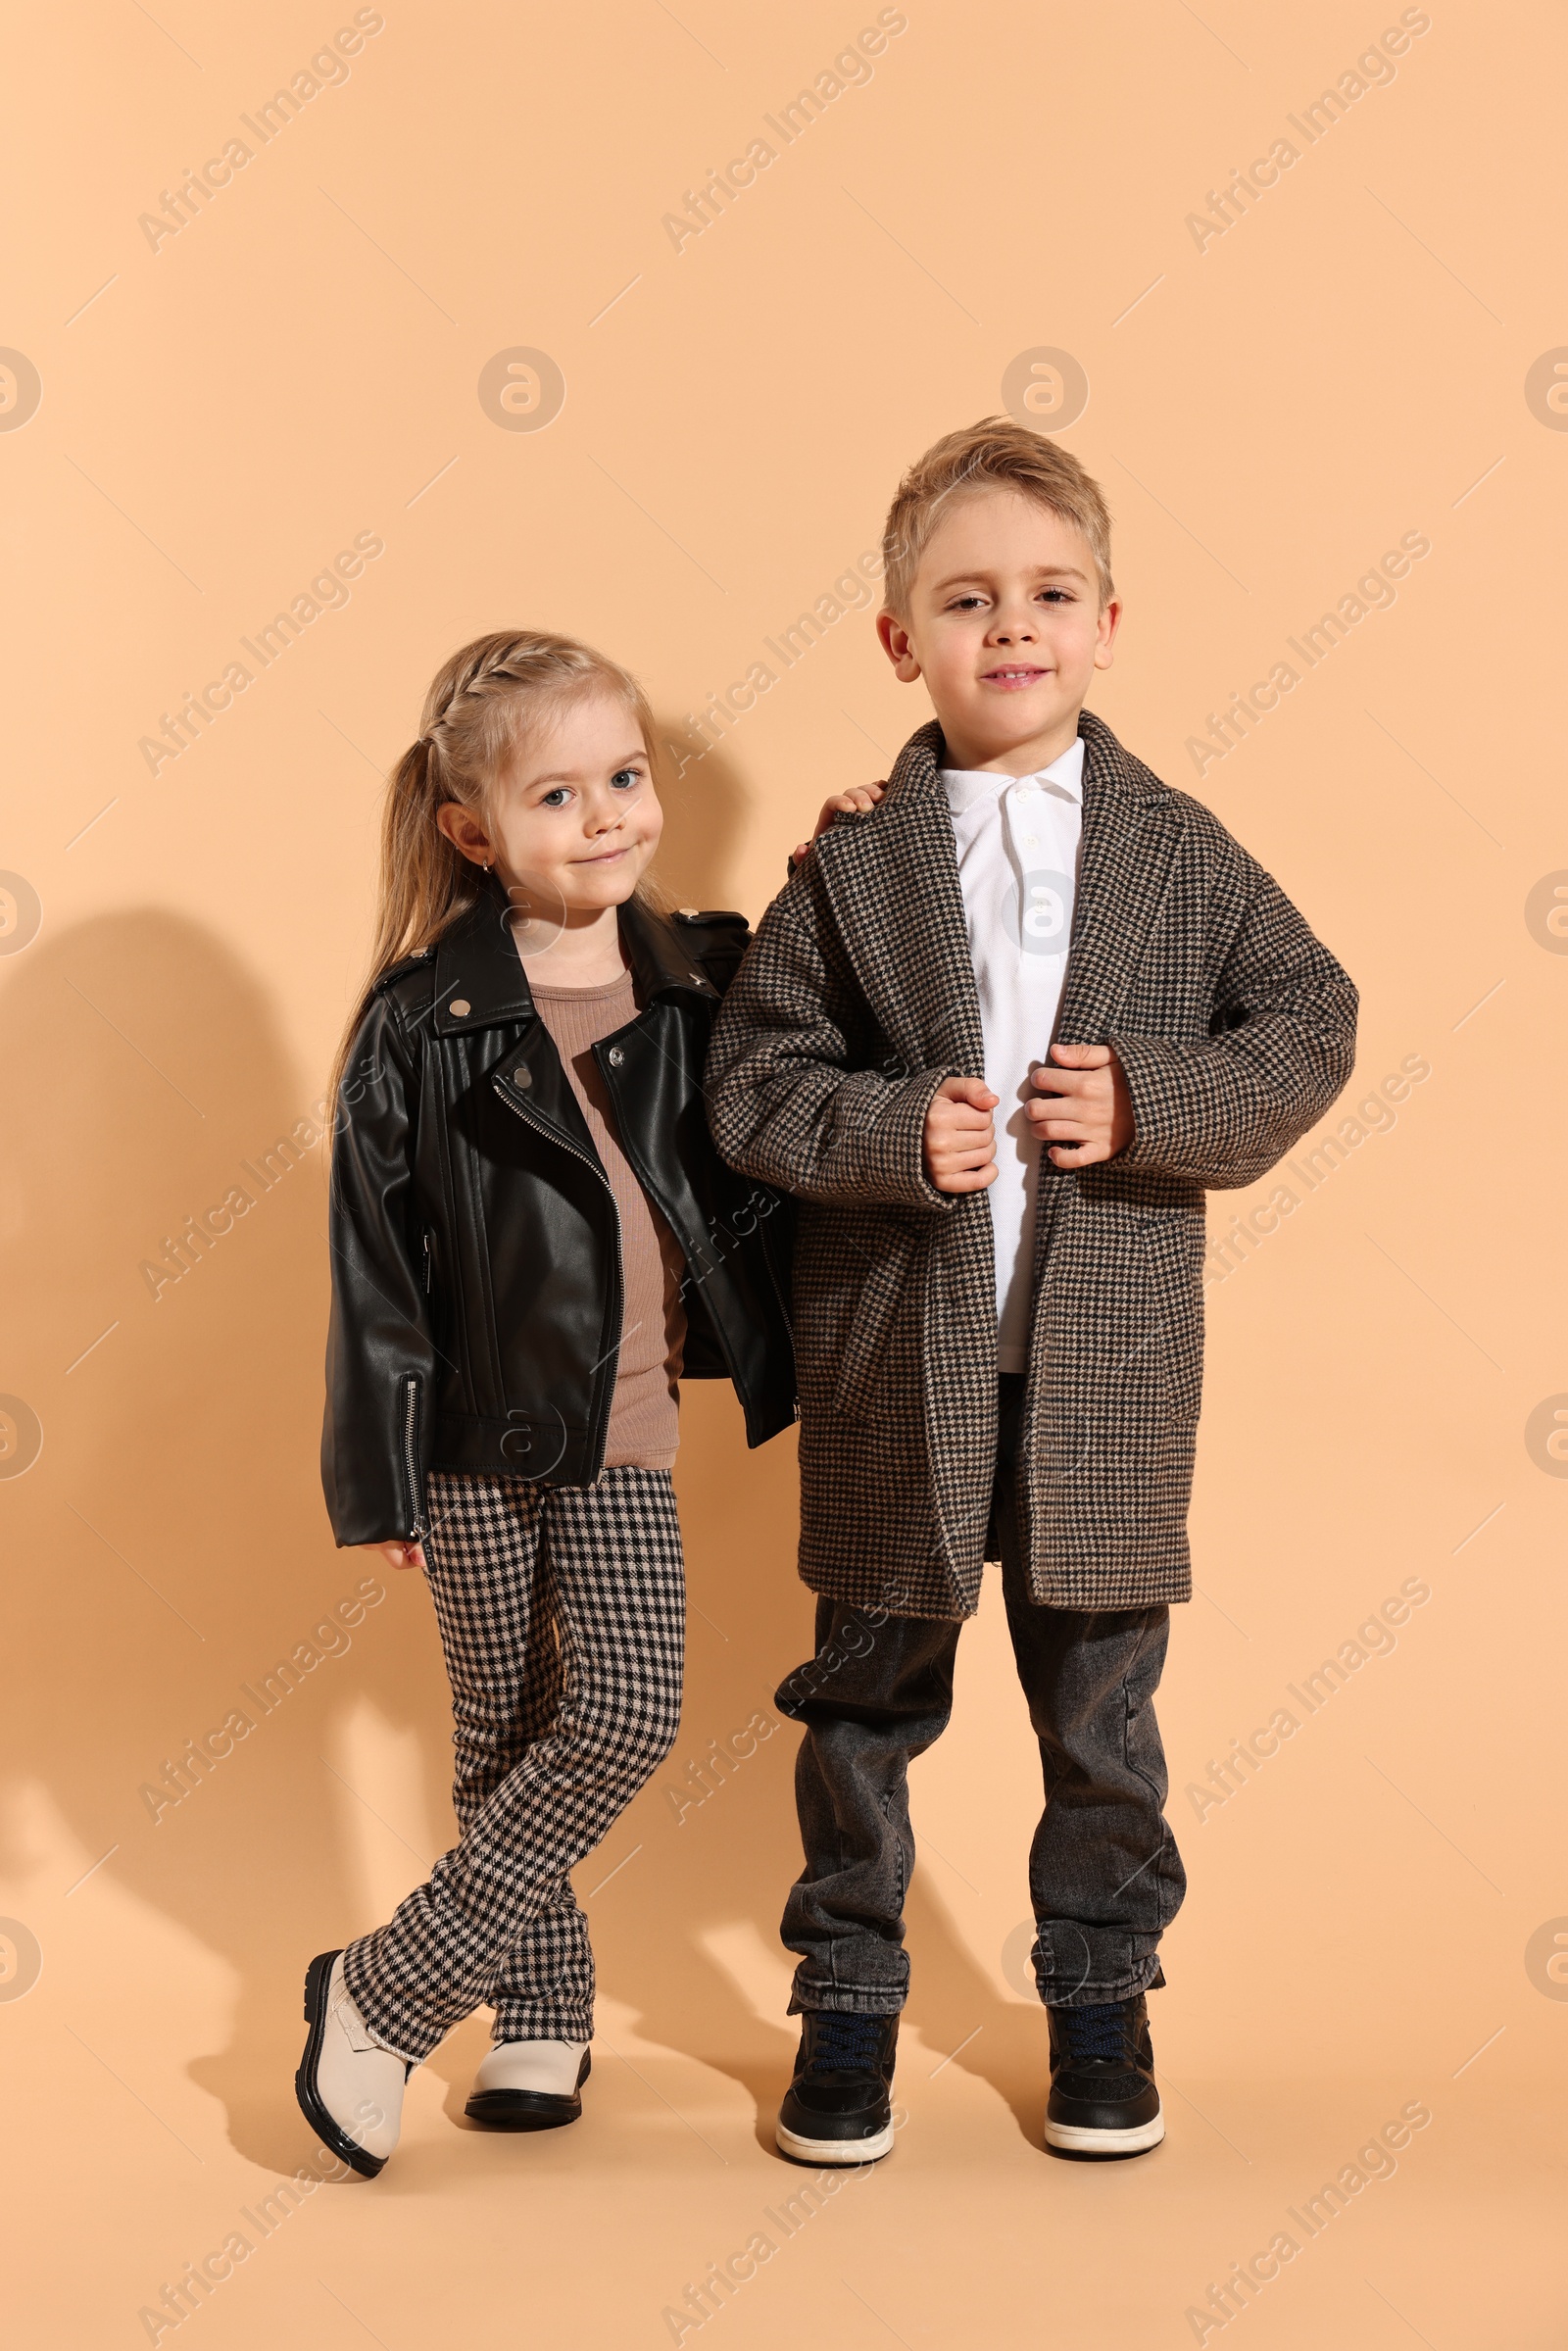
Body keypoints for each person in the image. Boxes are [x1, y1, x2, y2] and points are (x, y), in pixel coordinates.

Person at [706, 419, 1358, 2163]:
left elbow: (1310, 1022)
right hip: (888, 1363)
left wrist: (1153, 1102)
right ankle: (846, 2002)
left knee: (1102, 1714)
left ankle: (1099, 2000)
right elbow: (751, 1082)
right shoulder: (852, 859)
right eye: (968, 597)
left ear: (1111, 622)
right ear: (898, 637)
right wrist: (886, 1127)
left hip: (1110, 1367)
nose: (1013, 627)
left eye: (1050, 594)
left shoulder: (1179, 841)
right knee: (861, 1700)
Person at [296, 629, 799, 2177]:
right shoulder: (421, 1020)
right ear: (472, 831)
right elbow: (374, 1260)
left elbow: (840, 986)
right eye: (560, 793)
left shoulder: (703, 975)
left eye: (627, 779)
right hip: (467, 1435)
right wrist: (380, 1474)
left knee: (625, 1710)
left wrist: (866, 838)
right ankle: (541, 2008)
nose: (607, 818)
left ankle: (380, 1987)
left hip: (621, 1428)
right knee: (505, 1727)